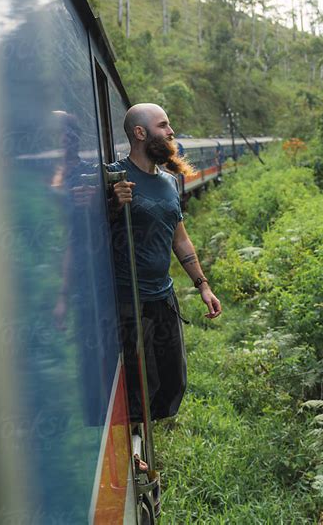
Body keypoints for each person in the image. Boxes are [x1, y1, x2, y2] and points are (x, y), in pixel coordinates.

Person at [107, 103, 222, 443]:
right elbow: (83, 225)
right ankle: (135, 449)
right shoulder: (116, 177)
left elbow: (180, 239)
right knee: (140, 385)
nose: (171, 132)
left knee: (173, 381)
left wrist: (203, 286)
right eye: (164, 125)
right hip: (129, 302)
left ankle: (142, 437)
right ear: (140, 133)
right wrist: (112, 203)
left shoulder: (170, 182)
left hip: (163, 297)